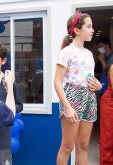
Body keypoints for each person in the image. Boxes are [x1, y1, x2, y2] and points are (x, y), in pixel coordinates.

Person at [54, 12, 102, 165]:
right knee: (67, 147)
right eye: (89, 26)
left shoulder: (89, 54)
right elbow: (57, 81)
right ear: (77, 30)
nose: (92, 30)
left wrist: (99, 85)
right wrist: (67, 107)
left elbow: (89, 79)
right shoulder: (66, 52)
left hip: (89, 97)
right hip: (72, 97)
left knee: (84, 145)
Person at [100, 39, 113, 165]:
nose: (100, 49)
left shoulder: (110, 58)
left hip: (107, 95)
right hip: (107, 96)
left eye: (101, 46)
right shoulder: (108, 60)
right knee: (107, 134)